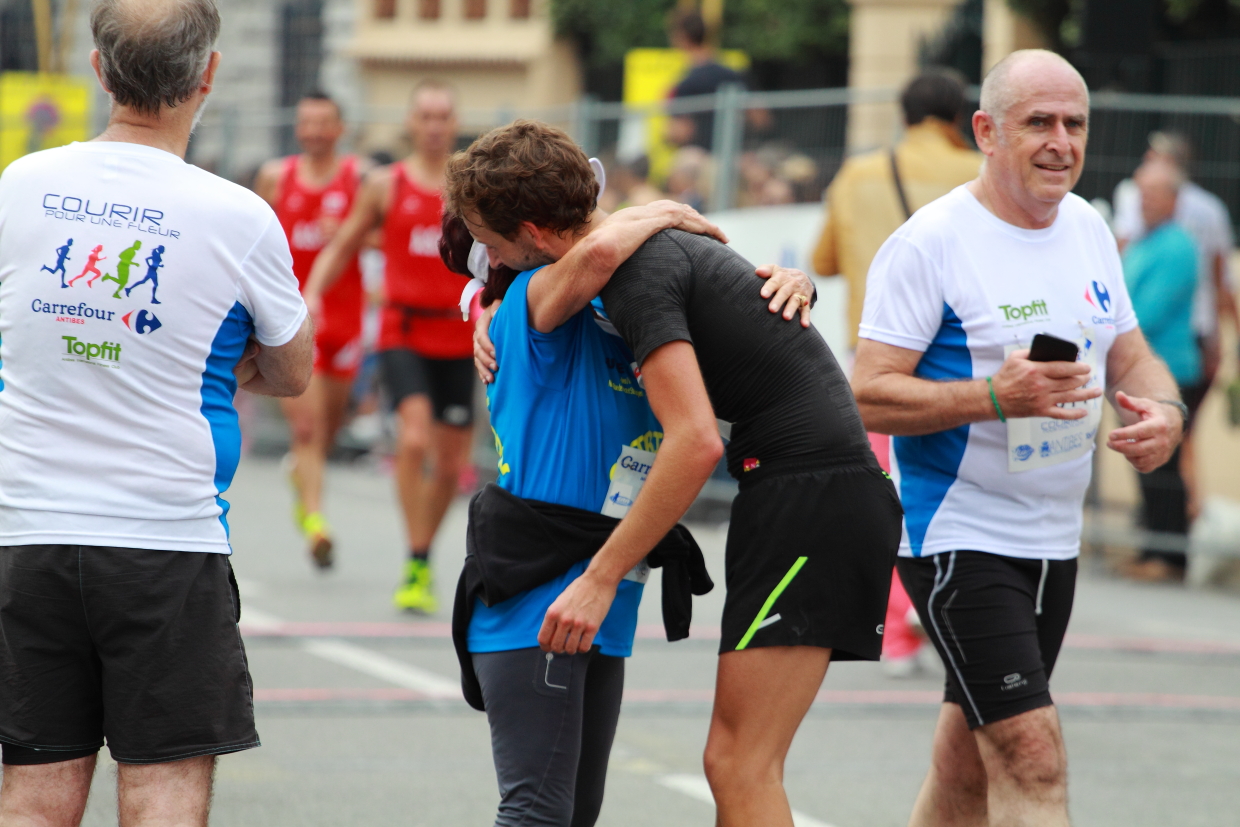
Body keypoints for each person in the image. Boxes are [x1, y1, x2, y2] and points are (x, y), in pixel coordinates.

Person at [455, 119, 903, 827]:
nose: (487, 255)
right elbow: (596, 253)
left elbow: (693, 438)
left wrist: (601, 577)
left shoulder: (635, 274)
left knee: (738, 764)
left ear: (536, 234)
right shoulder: (580, 285)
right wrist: (660, 211)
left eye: (491, 241)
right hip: (808, 484)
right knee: (705, 770)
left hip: (809, 487)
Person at [852, 50, 1184, 827]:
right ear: (987, 131)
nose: (1060, 141)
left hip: (1052, 542)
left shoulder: (1089, 226)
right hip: (958, 535)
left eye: (1074, 123)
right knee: (1031, 753)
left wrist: (1165, 409)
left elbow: (1131, 349)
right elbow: (866, 393)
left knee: (966, 761)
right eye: (1039, 122)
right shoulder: (931, 242)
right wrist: (995, 396)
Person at [0, 0, 312, 823]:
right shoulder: (240, 216)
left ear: (98, 73)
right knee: (164, 791)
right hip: (164, 538)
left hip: (26, 532)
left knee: (32, 794)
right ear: (207, 76)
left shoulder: (19, 185)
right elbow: (293, 370)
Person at [442, 197, 725, 826]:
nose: (587, 224)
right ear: (514, 252)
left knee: (575, 816)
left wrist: (793, 282)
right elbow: (595, 249)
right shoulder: (525, 308)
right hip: (538, 591)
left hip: (610, 587)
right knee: (537, 815)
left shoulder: (622, 311)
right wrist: (671, 210)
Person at [305, 79, 474, 614]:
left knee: (451, 466)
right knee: (415, 437)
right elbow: (345, 242)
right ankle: (417, 554)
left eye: (442, 116)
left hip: (459, 333)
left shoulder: (471, 187)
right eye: (424, 115)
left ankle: (421, 559)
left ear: (453, 123)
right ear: (410, 122)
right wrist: (311, 292)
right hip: (403, 329)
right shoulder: (386, 185)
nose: (433, 126)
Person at [255, 92, 368, 568]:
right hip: (293, 316)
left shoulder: (358, 177)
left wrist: (340, 232)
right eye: (307, 122)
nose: (316, 131)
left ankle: (301, 478)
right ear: (297, 128)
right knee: (306, 426)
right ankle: (316, 522)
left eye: (325, 122)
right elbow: (251, 235)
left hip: (345, 318)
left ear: (340, 129)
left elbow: (385, 234)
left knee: (329, 427)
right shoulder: (275, 177)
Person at [812, 69, 982, 351]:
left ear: (904, 118)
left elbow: (823, 262)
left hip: (873, 337)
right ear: (958, 117)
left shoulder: (856, 173)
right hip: (957, 342)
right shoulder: (981, 172)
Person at [1121, 161, 1202, 581]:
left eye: (1153, 194)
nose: (1145, 201)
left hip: (1169, 369)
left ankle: (1171, 556)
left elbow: (1144, 313)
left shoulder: (1178, 246)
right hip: (1140, 365)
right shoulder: (1144, 240)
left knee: (1166, 467)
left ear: (1173, 199)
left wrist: (1111, 331)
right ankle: (1153, 547)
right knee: (1147, 464)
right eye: (1141, 193)